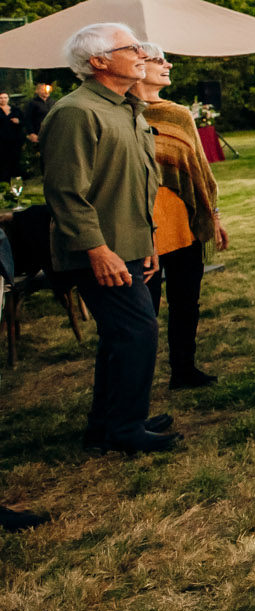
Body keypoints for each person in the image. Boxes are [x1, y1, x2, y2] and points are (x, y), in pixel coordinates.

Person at [43, 24, 175, 453]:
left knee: (121, 336)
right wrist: (97, 250)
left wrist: (148, 239)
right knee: (138, 332)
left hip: (130, 244)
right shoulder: (76, 112)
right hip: (99, 251)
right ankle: (124, 429)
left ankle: (108, 423)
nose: (142, 53)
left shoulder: (125, 108)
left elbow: (136, 183)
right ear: (99, 61)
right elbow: (65, 192)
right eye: (131, 47)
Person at [134, 44, 227, 388]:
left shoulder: (177, 114)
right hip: (142, 225)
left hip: (183, 220)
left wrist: (213, 216)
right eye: (157, 59)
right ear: (136, 65)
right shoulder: (122, 113)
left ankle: (183, 369)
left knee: (186, 300)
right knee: (145, 310)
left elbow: (199, 168)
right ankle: (137, 384)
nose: (167, 64)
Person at [21, 80, 53, 171]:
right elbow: (28, 119)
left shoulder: (53, 102)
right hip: (39, 132)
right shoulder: (32, 103)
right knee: (44, 154)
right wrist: (31, 133)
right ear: (37, 91)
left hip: (53, 132)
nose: (45, 92)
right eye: (42, 90)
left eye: (46, 89)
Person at [0, 91, 23, 180]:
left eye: (5, 98)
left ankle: (15, 180)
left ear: (8, 99)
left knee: (15, 159)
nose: (3, 100)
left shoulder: (15, 109)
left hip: (14, 139)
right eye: (1, 98)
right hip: (1, 140)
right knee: (3, 160)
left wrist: (18, 121)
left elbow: (23, 121)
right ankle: (4, 180)